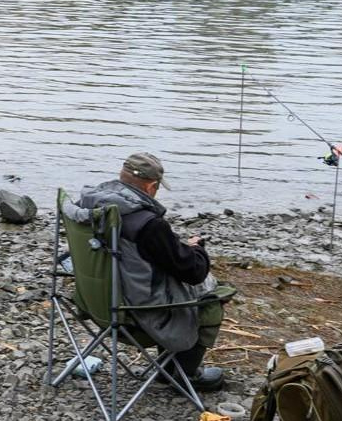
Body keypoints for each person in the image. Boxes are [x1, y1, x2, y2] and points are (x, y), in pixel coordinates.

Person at [75, 151, 228, 391]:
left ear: (121, 176)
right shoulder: (147, 224)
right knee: (211, 298)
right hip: (137, 314)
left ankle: (168, 368)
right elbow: (193, 272)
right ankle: (181, 375)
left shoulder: (91, 208)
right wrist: (198, 250)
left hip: (96, 304)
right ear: (151, 186)